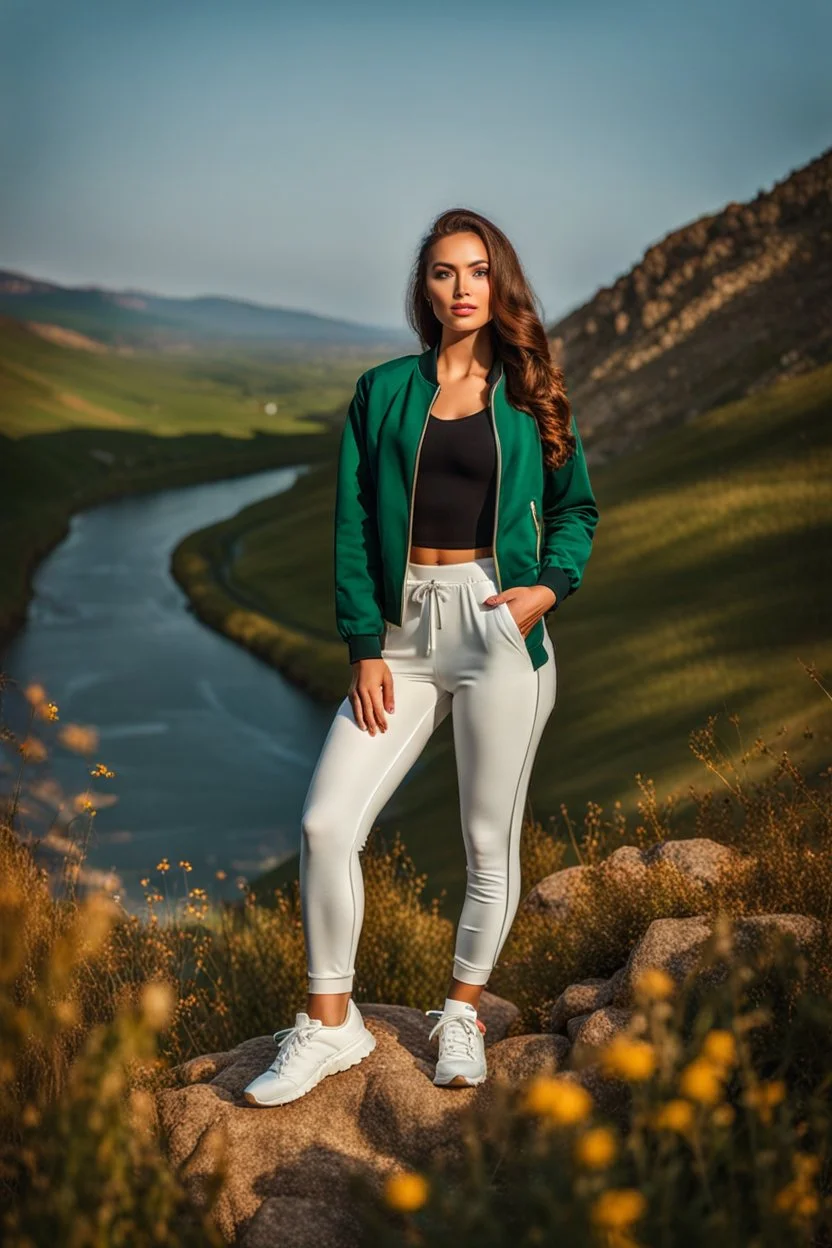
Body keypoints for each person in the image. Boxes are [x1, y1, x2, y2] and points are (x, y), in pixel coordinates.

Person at [244, 208, 599, 1107]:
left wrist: (547, 588)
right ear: (424, 291)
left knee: (488, 842)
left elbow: (576, 510)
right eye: (443, 273)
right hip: (399, 638)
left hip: (496, 628)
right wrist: (365, 646)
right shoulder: (383, 392)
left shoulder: (531, 392)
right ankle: (331, 1026)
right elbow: (356, 528)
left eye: (477, 270)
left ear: (500, 282)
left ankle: (462, 1014)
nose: (462, 287)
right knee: (327, 825)